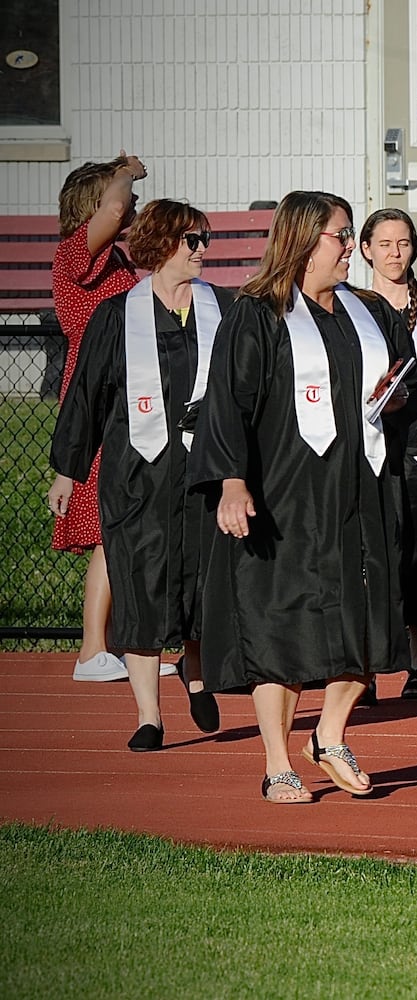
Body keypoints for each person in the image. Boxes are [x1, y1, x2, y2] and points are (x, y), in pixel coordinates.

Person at [191, 190, 417, 803]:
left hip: (359, 489)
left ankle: (329, 735)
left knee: (364, 619)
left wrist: (397, 404)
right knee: (280, 626)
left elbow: (404, 384)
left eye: (349, 236)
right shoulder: (258, 313)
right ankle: (276, 762)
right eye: (340, 236)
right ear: (302, 240)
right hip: (284, 495)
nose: (352, 247)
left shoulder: (366, 312)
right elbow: (228, 403)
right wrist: (232, 482)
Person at [48, 199, 228, 749]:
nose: (201, 250)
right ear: (161, 245)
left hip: (205, 470)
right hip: (136, 472)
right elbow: (88, 395)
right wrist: (67, 472)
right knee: (140, 585)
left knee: (201, 581)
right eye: (190, 240)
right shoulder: (114, 315)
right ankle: (149, 715)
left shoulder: (224, 308)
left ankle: (195, 672)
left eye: (204, 240)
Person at [50, 153, 145, 683]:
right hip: (99, 401)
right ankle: (90, 651)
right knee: (112, 525)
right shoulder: (72, 255)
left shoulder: (113, 261)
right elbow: (112, 207)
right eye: (119, 197)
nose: (129, 204)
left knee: (127, 525)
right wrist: (125, 170)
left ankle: (122, 647)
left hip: (130, 397)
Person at [359, 207, 417, 698]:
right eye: (384, 243)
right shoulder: (348, 307)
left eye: (403, 243)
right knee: (368, 553)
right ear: (366, 248)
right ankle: (362, 666)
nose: (394, 252)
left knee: (416, 551)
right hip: (366, 443)